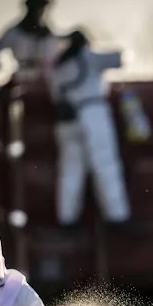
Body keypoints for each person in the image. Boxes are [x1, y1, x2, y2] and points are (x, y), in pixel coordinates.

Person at [49, 28, 131, 226]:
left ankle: (67, 219)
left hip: (67, 120)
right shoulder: (89, 56)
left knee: (70, 170)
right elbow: (121, 58)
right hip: (93, 113)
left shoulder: (58, 66)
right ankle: (117, 217)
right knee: (105, 165)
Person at [0, 0, 60, 83]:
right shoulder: (14, 32)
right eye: (39, 11)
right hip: (21, 77)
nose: (41, 15)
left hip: (46, 80)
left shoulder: (48, 35)